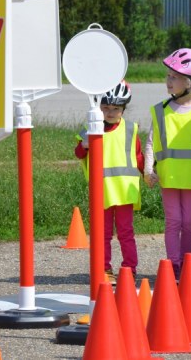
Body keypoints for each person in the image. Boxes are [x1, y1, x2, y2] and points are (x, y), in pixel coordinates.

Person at [143, 48, 191, 280]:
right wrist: (148, 170)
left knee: (190, 222)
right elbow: (151, 142)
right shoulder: (160, 110)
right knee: (174, 221)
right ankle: (174, 263)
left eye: (174, 77)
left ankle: (186, 262)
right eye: (168, 76)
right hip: (169, 176)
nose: (168, 81)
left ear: (190, 82)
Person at [75, 81, 144, 282]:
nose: (110, 112)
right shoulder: (89, 128)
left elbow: (138, 156)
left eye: (116, 108)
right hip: (102, 191)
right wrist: (84, 145)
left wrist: (148, 172)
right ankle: (104, 268)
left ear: (123, 108)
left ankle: (129, 268)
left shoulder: (130, 129)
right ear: (98, 107)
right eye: (106, 108)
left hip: (124, 191)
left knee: (126, 232)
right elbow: (79, 153)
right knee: (102, 233)